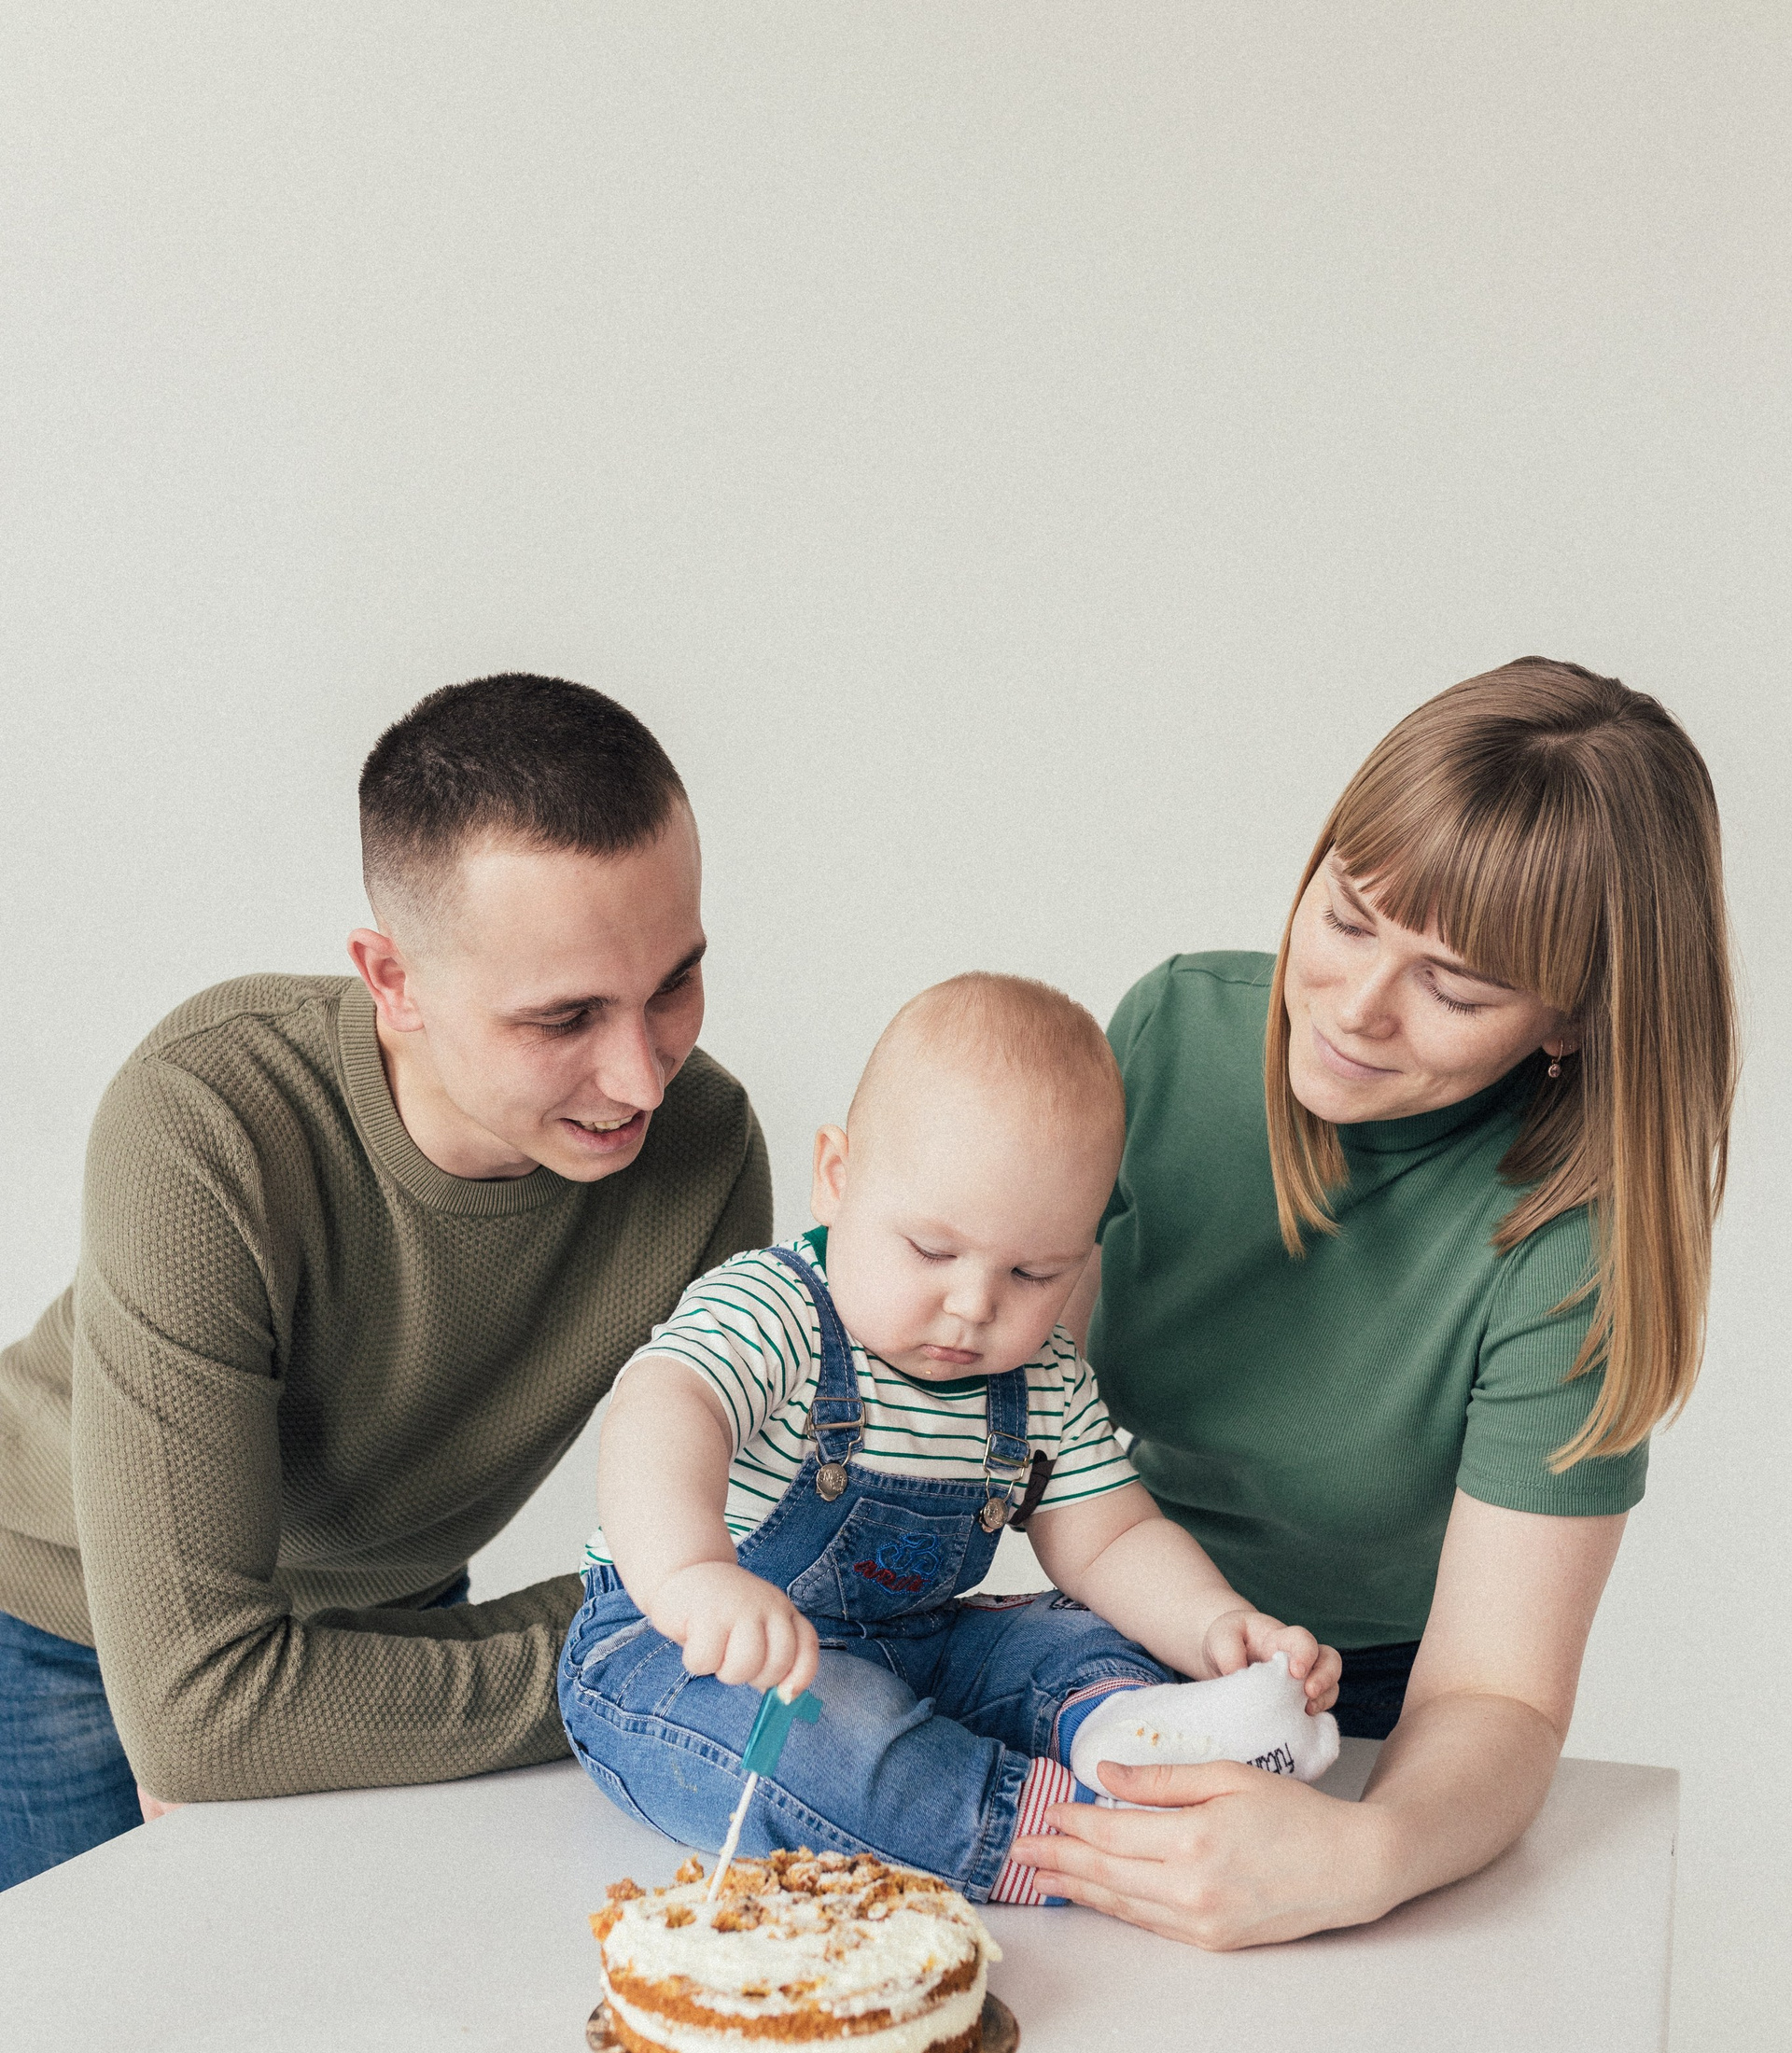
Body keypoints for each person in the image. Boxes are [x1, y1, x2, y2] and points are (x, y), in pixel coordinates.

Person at [1006, 657, 1738, 1947]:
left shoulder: (1572, 1251)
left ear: (1569, 1023)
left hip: (1365, 1714)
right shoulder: (1173, 1030)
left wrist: (1368, 1852)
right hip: (1101, 1636)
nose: (1353, 1011)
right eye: (1346, 920)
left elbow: (1499, 1698)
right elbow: (1006, 1404)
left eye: (1454, 988)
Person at [0, 674, 770, 1888]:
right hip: (58, 1625)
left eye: (673, 983)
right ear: (393, 978)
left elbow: (767, 1548)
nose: (641, 1078)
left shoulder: (707, 1149)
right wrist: (645, 1649)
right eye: (564, 1017)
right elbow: (198, 1715)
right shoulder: (208, 1117)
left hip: (400, 1624)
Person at [557, 973, 1340, 1904]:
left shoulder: (1041, 1374)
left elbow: (1113, 1538)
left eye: (1035, 1274)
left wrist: (1215, 1625)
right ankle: (1057, 1831)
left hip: (915, 1642)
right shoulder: (776, 1310)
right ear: (837, 1178)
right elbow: (663, 1409)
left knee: (1080, 1632)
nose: (974, 1305)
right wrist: (693, 1576)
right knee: (822, 1745)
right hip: (681, 1655)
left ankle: (1135, 1736)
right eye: (933, 1251)